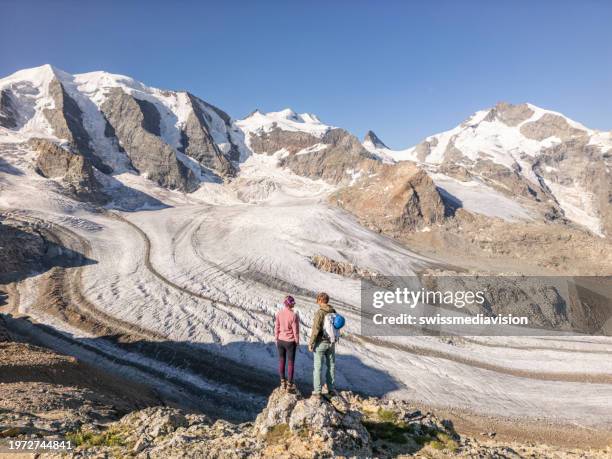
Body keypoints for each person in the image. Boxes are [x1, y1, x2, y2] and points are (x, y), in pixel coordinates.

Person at [308, 292, 336, 398]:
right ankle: (331, 389)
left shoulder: (320, 312)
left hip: (321, 343)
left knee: (318, 367)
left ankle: (317, 391)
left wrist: (311, 343)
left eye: (318, 300)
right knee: (331, 366)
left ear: (320, 300)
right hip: (331, 342)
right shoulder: (333, 311)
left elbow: (316, 329)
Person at [275, 295, 300, 391]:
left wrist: (276, 338)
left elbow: (276, 327)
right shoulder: (293, 315)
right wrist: (297, 342)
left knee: (281, 360)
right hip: (290, 342)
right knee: (290, 363)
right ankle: (289, 384)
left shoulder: (279, 313)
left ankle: (282, 382)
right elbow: (295, 331)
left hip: (280, 340)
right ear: (291, 304)